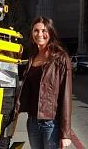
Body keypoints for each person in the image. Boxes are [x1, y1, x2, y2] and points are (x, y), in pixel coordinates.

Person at [15, 16, 72, 149]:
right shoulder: (31, 57)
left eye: (44, 30)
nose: (39, 34)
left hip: (51, 124)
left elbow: (66, 97)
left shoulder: (60, 58)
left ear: (50, 33)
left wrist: (66, 134)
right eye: (36, 30)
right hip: (32, 122)